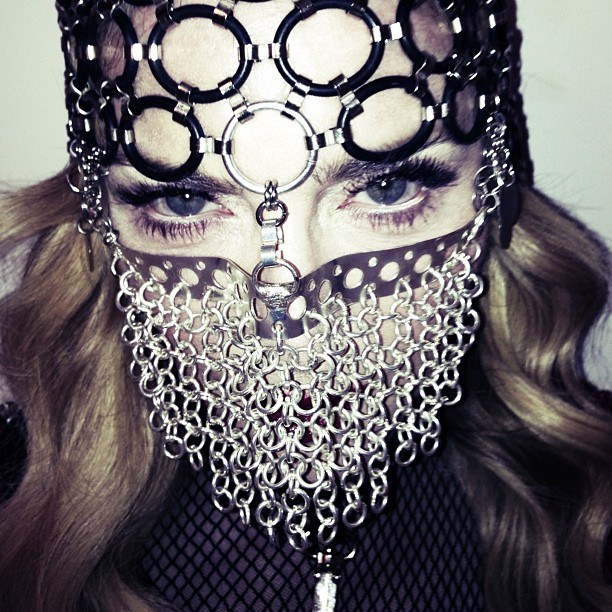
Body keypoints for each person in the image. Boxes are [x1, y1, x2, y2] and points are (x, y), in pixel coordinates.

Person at [0, 0, 611, 610]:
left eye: (387, 188)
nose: (290, 328)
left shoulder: (588, 503)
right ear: (102, 216)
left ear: (491, 188)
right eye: (184, 203)